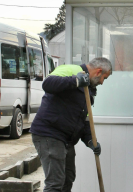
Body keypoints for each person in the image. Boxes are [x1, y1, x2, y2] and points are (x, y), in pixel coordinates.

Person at [30, 57, 112, 192]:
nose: (102, 83)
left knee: (68, 179)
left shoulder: (88, 91)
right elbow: (48, 84)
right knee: (55, 183)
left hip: (66, 140)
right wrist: (76, 80)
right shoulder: (72, 70)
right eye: (105, 78)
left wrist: (91, 140)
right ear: (98, 72)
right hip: (50, 134)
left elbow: (84, 121)